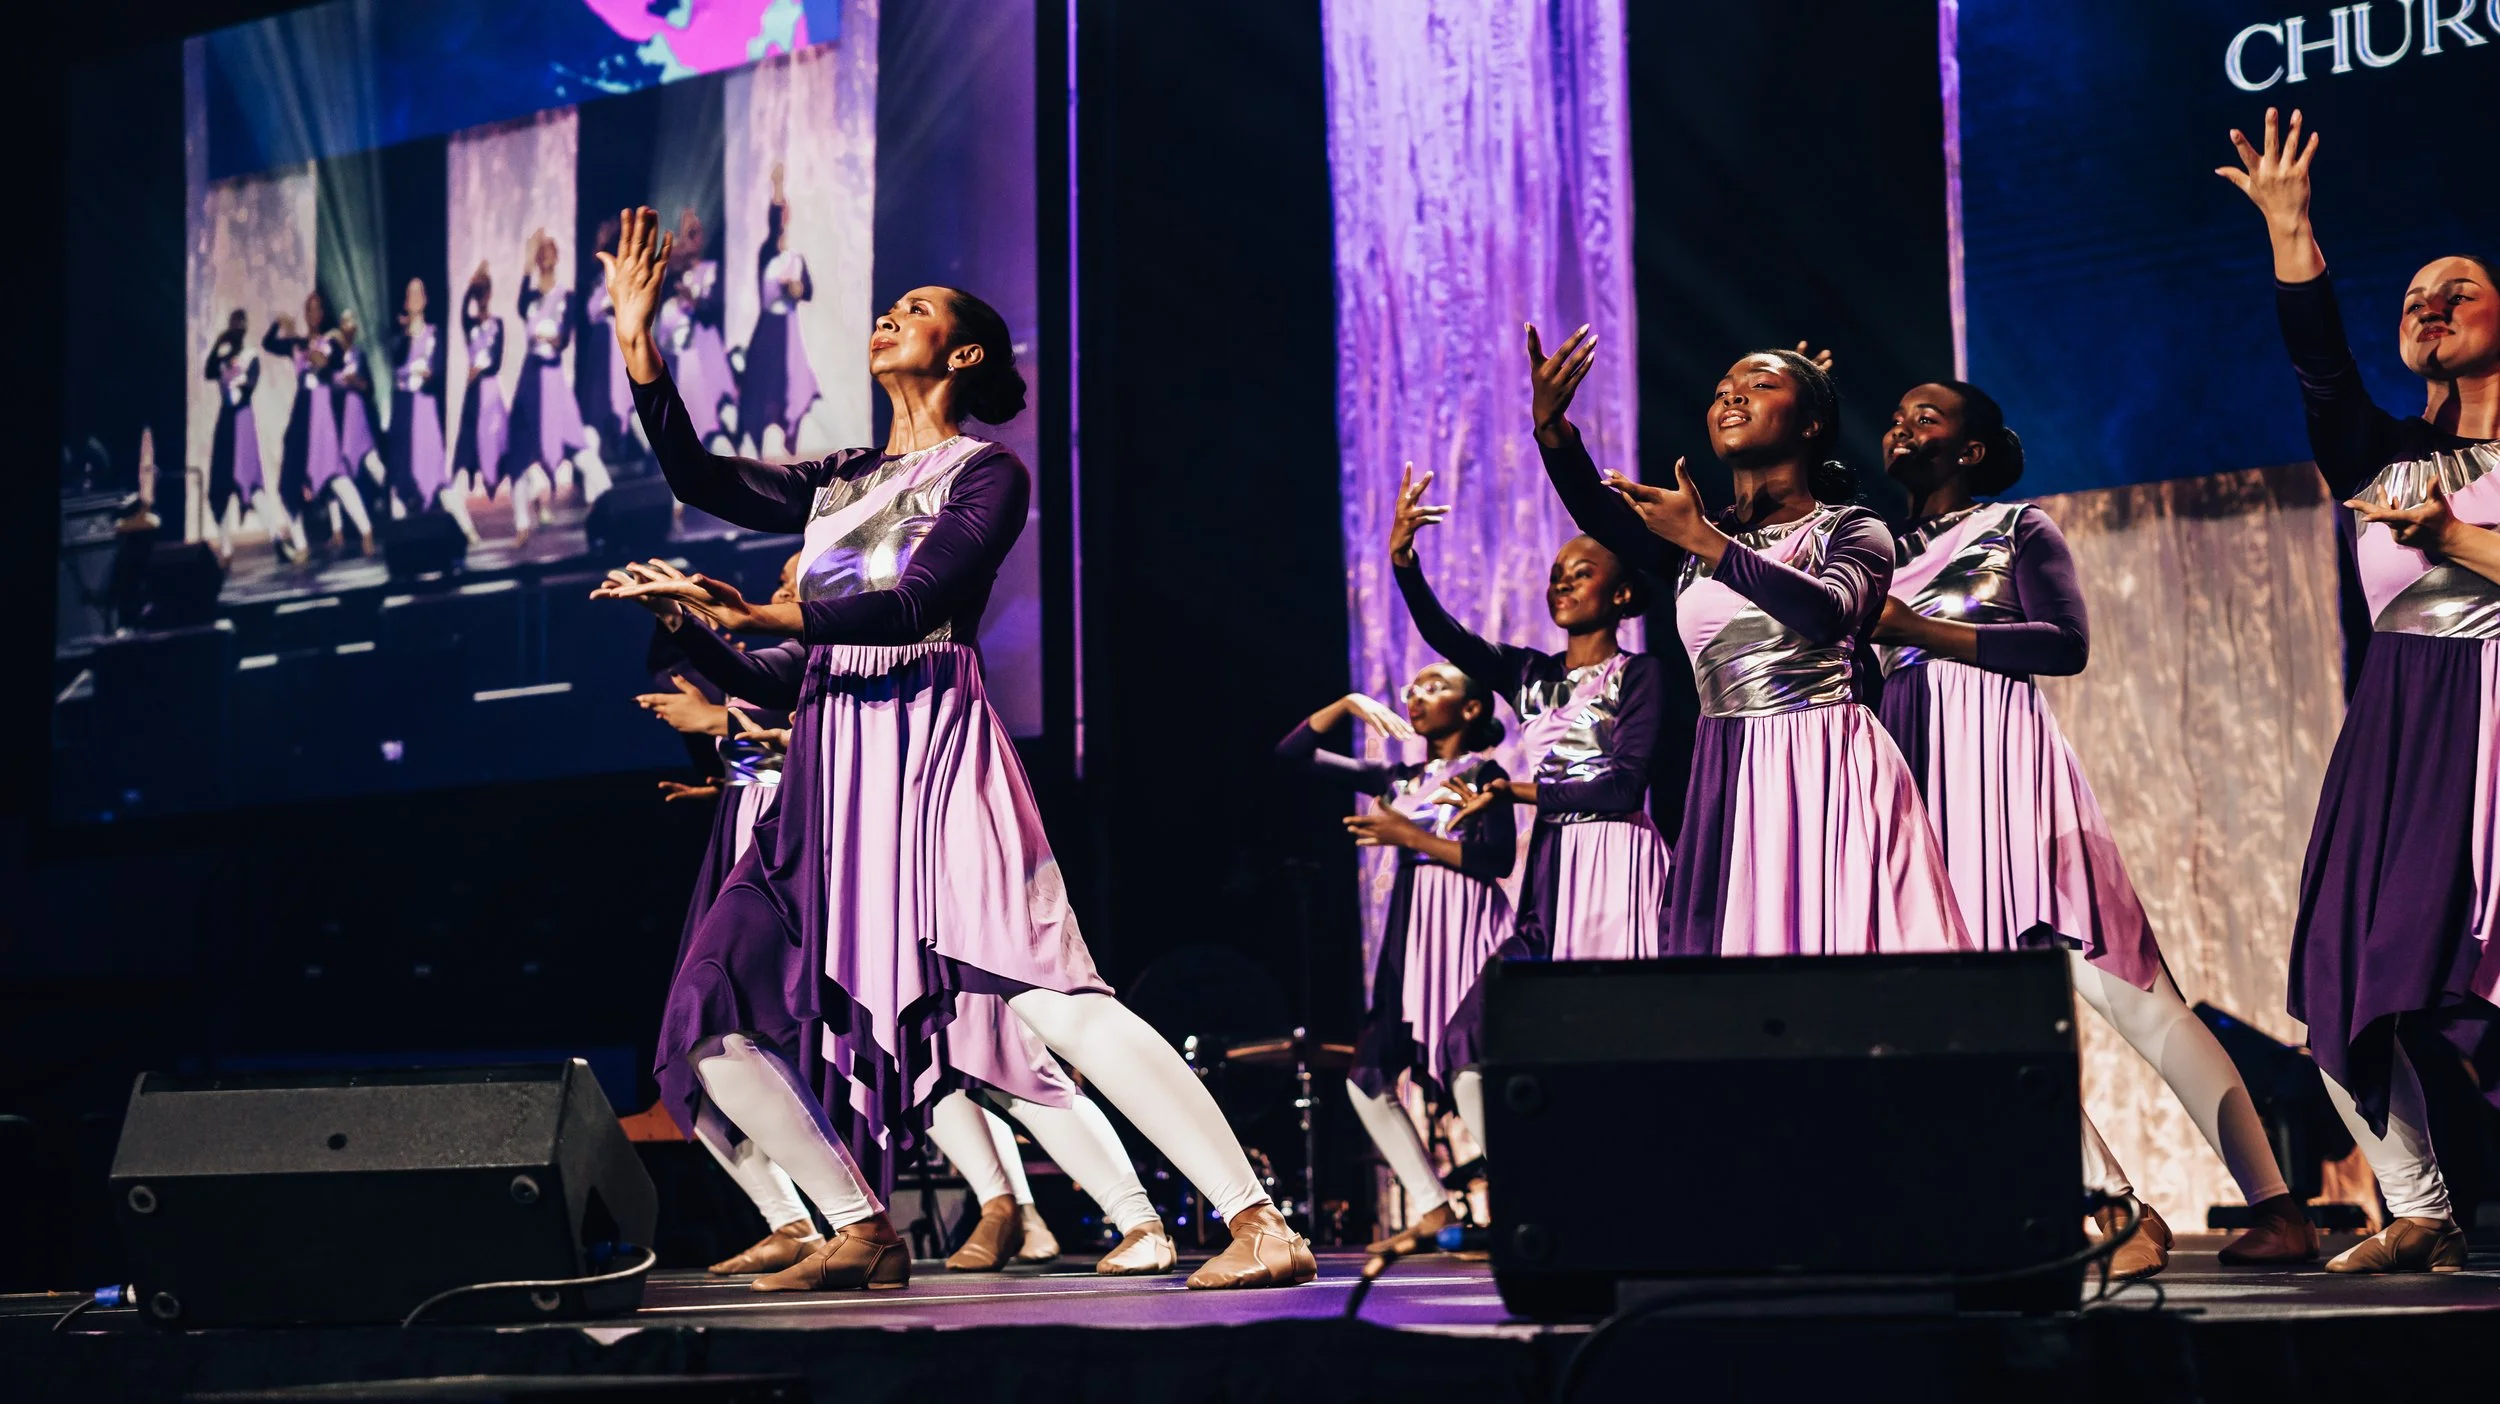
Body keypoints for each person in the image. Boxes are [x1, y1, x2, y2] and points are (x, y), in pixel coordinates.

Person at [592, 206, 1309, 1292]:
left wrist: (762, 616)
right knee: (708, 1008)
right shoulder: (836, 477)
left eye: (913, 310)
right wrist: (640, 344)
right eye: (887, 309)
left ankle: (1257, 1219)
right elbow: (699, 481)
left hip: (930, 748)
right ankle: (855, 1223)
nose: (887, 317)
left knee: (1048, 995)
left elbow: (923, 598)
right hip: (832, 773)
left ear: (962, 353)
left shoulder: (987, 474)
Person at [616, 553, 1178, 1278]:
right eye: (784, 585)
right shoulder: (809, 662)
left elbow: (853, 745)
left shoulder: (891, 652)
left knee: (1009, 1053)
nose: (781, 594)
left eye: (796, 584)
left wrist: (725, 721)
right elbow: (793, 727)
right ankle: (910, 1217)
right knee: (912, 1063)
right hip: (828, 863)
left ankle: (1131, 1217)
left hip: (903, 858)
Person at [1870, 378, 2320, 1274]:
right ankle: (2116, 1210)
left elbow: (2064, 643)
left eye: (1928, 414)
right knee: (1975, 1018)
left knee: (2133, 995)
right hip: (1916, 779)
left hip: (2005, 770)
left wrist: (1922, 629)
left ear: (1970, 450)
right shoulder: (1870, 554)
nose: (1901, 425)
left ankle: (2279, 1205)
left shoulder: (2015, 529)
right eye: (1895, 414)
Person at [2221, 107, 2500, 1274]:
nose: (2426, 306)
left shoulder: (2431, 493)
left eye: (2459, 290)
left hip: (2490, 705)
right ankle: (2418, 1201)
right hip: (2398, 715)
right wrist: (2291, 228)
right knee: (2339, 958)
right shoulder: (2385, 457)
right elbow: (2320, 367)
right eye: (2411, 300)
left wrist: (2447, 535)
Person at [1526, 329, 1967, 957]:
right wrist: (1552, 430)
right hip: (1727, 763)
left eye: (1760, 385)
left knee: (1846, 954)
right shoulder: (1691, 542)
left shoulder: (1852, 528)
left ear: (1812, 425)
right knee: (1733, 963)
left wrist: (1708, 542)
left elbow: (1831, 615)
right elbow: (1598, 513)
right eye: (1721, 392)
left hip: (1826, 758)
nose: (1732, 398)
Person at [1390, 465, 1671, 1154]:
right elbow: (1450, 639)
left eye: (1581, 571)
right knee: (1466, 1038)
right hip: (1552, 870)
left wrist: (1518, 791)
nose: (1563, 581)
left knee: (1611, 1038)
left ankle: (1630, 1173)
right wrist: (1403, 564)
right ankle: (1532, 1182)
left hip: (1618, 863)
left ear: (1624, 591)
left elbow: (1624, 787)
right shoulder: (1530, 674)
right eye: (1556, 573)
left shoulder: (1641, 674)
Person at [1277, 666, 1514, 1260]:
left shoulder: (1487, 775)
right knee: (1368, 1075)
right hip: (1413, 936)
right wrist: (1349, 702)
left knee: (1468, 1071)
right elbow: (1291, 757)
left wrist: (1410, 837)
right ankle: (1433, 1208)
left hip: (1471, 932)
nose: (1415, 695)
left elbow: (1498, 859)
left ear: (1471, 709)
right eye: (1411, 688)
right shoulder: (1400, 776)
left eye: (1435, 686)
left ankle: (1529, 1204)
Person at [506, 229, 608, 538]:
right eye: (542, 251)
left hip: (553, 379)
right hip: (531, 378)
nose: (546, 254)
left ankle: (606, 500)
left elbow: (566, 337)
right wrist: (526, 256)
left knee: (576, 442)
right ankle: (522, 522)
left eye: (551, 249)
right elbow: (520, 306)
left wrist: (555, 338)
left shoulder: (567, 296)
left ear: (558, 257)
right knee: (520, 448)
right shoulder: (533, 299)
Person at [389, 278, 477, 539]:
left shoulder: (434, 334)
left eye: (419, 293)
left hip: (425, 409)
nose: (415, 298)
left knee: (435, 474)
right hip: (406, 409)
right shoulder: (399, 337)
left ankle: (468, 530)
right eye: (410, 294)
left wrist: (429, 375)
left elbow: (438, 369)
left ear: (425, 300)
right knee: (402, 478)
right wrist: (406, 334)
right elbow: (397, 359)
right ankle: (400, 539)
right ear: (406, 302)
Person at [741, 165, 820, 455]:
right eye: (782, 210)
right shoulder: (768, 252)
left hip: (789, 331)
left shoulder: (795, 257)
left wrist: (798, 289)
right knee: (765, 386)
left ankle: (790, 434)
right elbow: (775, 221)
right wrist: (777, 187)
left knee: (793, 384)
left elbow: (808, 291)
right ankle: (758, 443)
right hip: (770, 329)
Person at [204, 309, 293, 563]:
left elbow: (248, 388)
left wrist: (235, 367)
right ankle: (226, 549)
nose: (236, 329)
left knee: (252, 486)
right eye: (233, 324)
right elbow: (209, 372)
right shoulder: (222, 357)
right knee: (219, 487)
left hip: (242, 425)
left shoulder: (250, 356)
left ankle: (277, 539)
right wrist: (219, 347)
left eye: (240, 325)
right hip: (226, 425)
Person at [659, 209, 739, 447]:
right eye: (685, 235)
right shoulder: (673, 278)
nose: (690, 241)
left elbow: (715, 305)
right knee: (699, 417)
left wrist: (694, 301)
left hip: (709, 346)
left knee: (724, 407)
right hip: (687, 358)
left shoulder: (712, 269)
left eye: (694, 233)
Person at [449, 265, 511, 538]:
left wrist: (479, 371)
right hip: (473, 397)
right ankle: (466, 529)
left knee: (503, 450)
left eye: (486, 291)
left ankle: (535, 503)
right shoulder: (471, 325)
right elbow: (462, 313)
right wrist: (470, 284)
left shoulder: (497, 324)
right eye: (479, 292)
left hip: (490, 394)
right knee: (465, 454)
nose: (483, 296)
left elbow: (496, 362)